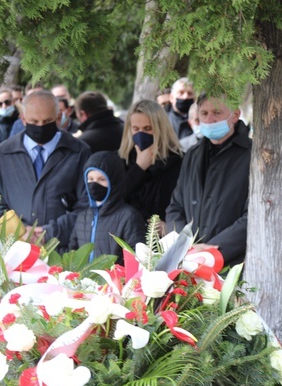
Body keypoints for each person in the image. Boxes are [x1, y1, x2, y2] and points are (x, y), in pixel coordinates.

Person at [166, 91, 251, 267]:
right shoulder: (192, 154)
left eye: (217, 112)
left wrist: (213, 248)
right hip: (190, 259)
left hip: (232, 262)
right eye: (204, 113)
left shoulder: (253, 155)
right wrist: (186, 243)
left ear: (235, 115)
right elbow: (175, 206)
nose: (210, 119)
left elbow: (252, 215)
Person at [0, 90, 91, 248]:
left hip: (63, 250)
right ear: (23, 119)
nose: (40, 127)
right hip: (14, 250)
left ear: (59, 118)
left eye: (47, 121)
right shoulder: (2, 154)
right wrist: (19, 232)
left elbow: (86, 206)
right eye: (34, 121)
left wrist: (50, 232)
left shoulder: (79, 152)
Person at [70, 151, 146, 262]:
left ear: (114, 181)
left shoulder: (129, 217)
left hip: (116, 279)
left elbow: (137, 259)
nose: (94, 184)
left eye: (102, 179)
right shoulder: (82, 217)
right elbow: (72, 253)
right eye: (90, 179)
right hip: (83, 279)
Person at [119, 99, 183, 222]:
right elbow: (114, 200)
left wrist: (169, 227)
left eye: (148, 128)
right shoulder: (122, 160)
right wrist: (139, 168)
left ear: (160, 128)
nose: (141, 134)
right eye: (136, 129)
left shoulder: (179, 162)